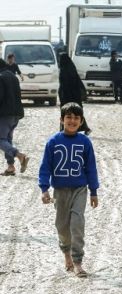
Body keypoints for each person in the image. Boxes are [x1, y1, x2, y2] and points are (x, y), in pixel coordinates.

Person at [39, 102, 99, 278]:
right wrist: (44, 188)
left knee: (77, 223)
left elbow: (91, 168)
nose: (72, 121)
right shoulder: (53, 142)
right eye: (68, 117)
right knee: (62, 226)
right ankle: (66, 254)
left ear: (81, 121)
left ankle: (78, 262)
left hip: (80, 189)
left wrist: (94, 191)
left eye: (76, 118)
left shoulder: (85, 142)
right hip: (60, 191)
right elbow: (45, 167)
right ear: (62, 119)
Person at [0, 59, 28, 176]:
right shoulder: (13, 76)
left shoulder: (0, 77)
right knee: (7, 140)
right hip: (16, 114)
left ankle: (19, 156)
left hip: (5, 114)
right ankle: (10, 166)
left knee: (1, 140)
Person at [58, 53, 91, 134]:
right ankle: (85, 128)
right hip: (75, 95)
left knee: (66, 112)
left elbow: (63, 85)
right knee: (77, 112)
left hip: (67, 96)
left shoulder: (63, 70)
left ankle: (64, 130)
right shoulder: (72, 68)